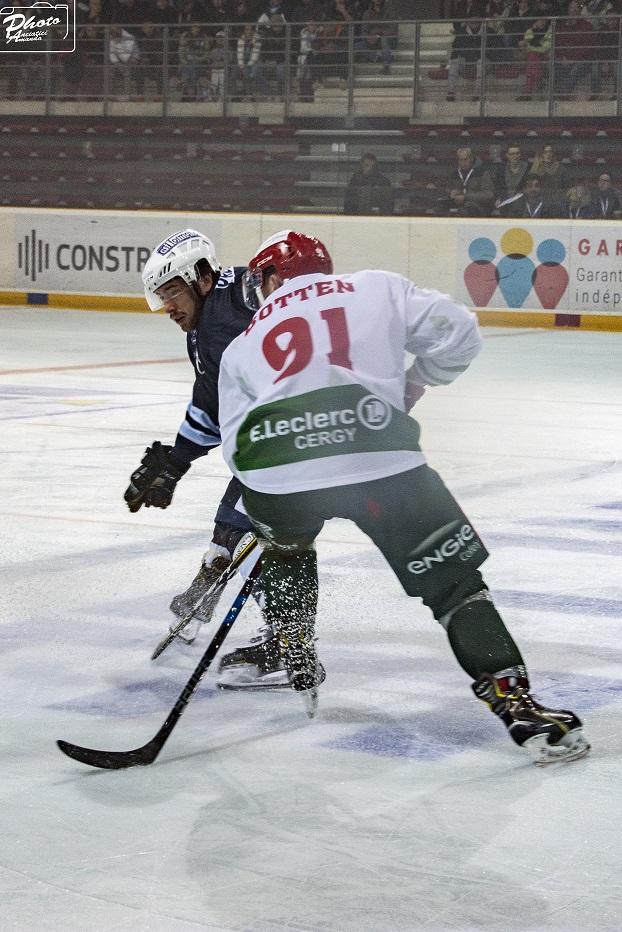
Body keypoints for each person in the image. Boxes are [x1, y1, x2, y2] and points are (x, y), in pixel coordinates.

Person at [217, 229, 590, 763]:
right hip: (378, 458)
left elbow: (234, 441)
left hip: (278, 467)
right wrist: (415, 384)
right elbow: (461, 333)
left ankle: (290, 645)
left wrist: (274, 490)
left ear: (274, 275)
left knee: (286, 545)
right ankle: (515, 703)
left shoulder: (245, 339)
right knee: (456, 588)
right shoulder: (377, 287)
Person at [125, 229, 290, 690]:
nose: (168, 307)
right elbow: (213, 401)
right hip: (274, 441)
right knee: (230, 532)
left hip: (294, 438)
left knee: (246, 535)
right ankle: (201, 602)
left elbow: (223, 404)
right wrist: (176, 461)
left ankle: (288, 644)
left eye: (172, 292)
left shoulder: (236, 306)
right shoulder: (206, 322)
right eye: (161, 297)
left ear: (200, 276)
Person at [442, 146, 495, 217]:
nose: (463, 163)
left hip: (478, 206)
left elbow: (488, 195)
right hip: (458, 204)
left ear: (471, 159)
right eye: (461, 160)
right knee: (439, 208)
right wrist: (451, 192)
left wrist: (466, 197)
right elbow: (448, 189)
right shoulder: (454, 174)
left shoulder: (482, 173)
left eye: (465, 159)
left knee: (466, 209)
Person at [494, 143, 530, 210]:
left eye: (517, 153)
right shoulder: (501, 170)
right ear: (507, 155)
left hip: (523, 203)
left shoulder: (528, 168)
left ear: (520, 154)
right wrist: (498, 198)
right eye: (512, 154)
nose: (515, 156)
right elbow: (498, 187)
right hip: (505, 202)